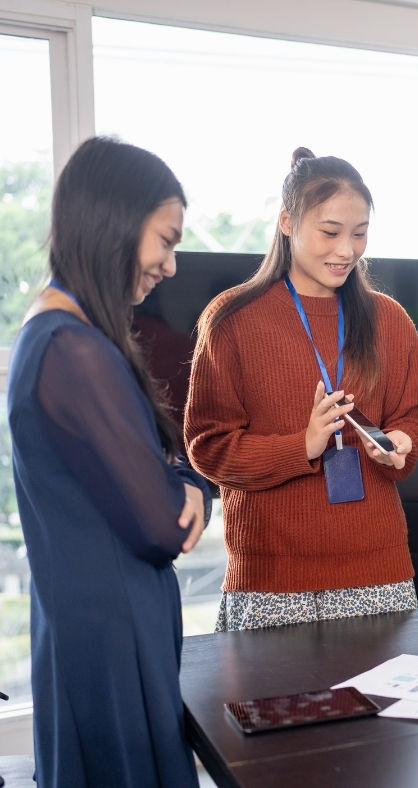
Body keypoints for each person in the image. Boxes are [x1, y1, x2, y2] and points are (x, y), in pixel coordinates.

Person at [8, 136, 211, 787]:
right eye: (166, 240)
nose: (171, 265)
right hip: (111, 643)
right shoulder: (74, 351)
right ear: (116, 224)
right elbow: (162, 525)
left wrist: (177, 473)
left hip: (90, 627)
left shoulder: (58, 334)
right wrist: (192, 486)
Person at [184, 148, 418, 631]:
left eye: (359, 234)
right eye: (331, 232)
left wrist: (401, 444)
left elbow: (411, 420)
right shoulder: (232, 319)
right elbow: (208, 448)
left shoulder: (390, 321)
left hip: (377, 573)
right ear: (287, 222)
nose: (347, 250)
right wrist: (303, 445)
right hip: (271, 581)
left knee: (382, 708)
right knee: (268, 707)